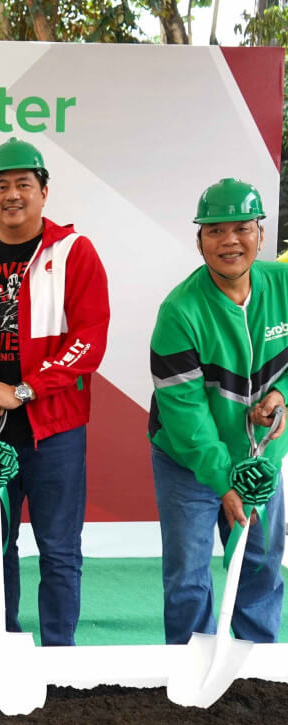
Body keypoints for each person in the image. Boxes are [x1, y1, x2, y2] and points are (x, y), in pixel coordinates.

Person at [0, 137, 109, 647]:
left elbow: (88, 340)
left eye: (23, 185)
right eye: (1, 185)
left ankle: (58, 653)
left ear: (44, 192)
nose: (13, 195)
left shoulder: (74, 252)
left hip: (55, 430)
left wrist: (24, 390)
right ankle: (2, 640)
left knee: (58, 548)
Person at [150, 178, 288, 644]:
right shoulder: (180, 311)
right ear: (199, 240)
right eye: (214, 230)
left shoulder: (283, 285)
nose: (229, 240)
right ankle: (188, 674)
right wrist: (225, 482)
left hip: (260, 459)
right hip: (188, 460)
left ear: (260, 234)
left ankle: (255, 666)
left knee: (263, 561)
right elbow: (186, 416)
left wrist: (283, 394)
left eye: (241, 228)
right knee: (189, 573)